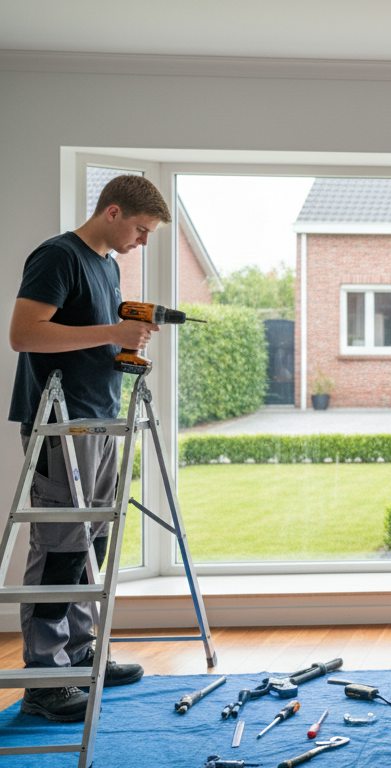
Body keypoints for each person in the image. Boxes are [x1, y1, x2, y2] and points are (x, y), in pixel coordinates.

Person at [8, 174, 169, 721]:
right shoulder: (58, 256)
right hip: (58, 424)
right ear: (114, 212)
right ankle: (45, 680)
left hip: (98, 419)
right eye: (142, 231)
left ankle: (77, 654)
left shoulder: (106, 265)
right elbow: (25, 334)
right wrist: (110, 332)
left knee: (89, 539)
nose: (142, 242)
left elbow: (97, 334)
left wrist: (124, 340)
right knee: (58, 543)